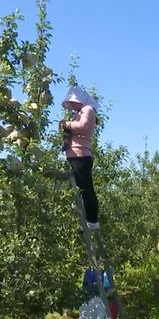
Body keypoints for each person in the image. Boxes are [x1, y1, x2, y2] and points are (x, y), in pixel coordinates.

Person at [60, 86, 101, 230]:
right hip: (74, 154)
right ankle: (82, 208)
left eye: (73, 102)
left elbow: (83, 127)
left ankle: (92, 220)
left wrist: (67, 125)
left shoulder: (88, 110)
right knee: (80, 186)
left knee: (86, 187)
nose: (72, 105)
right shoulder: (79, 112)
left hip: (81, 154)